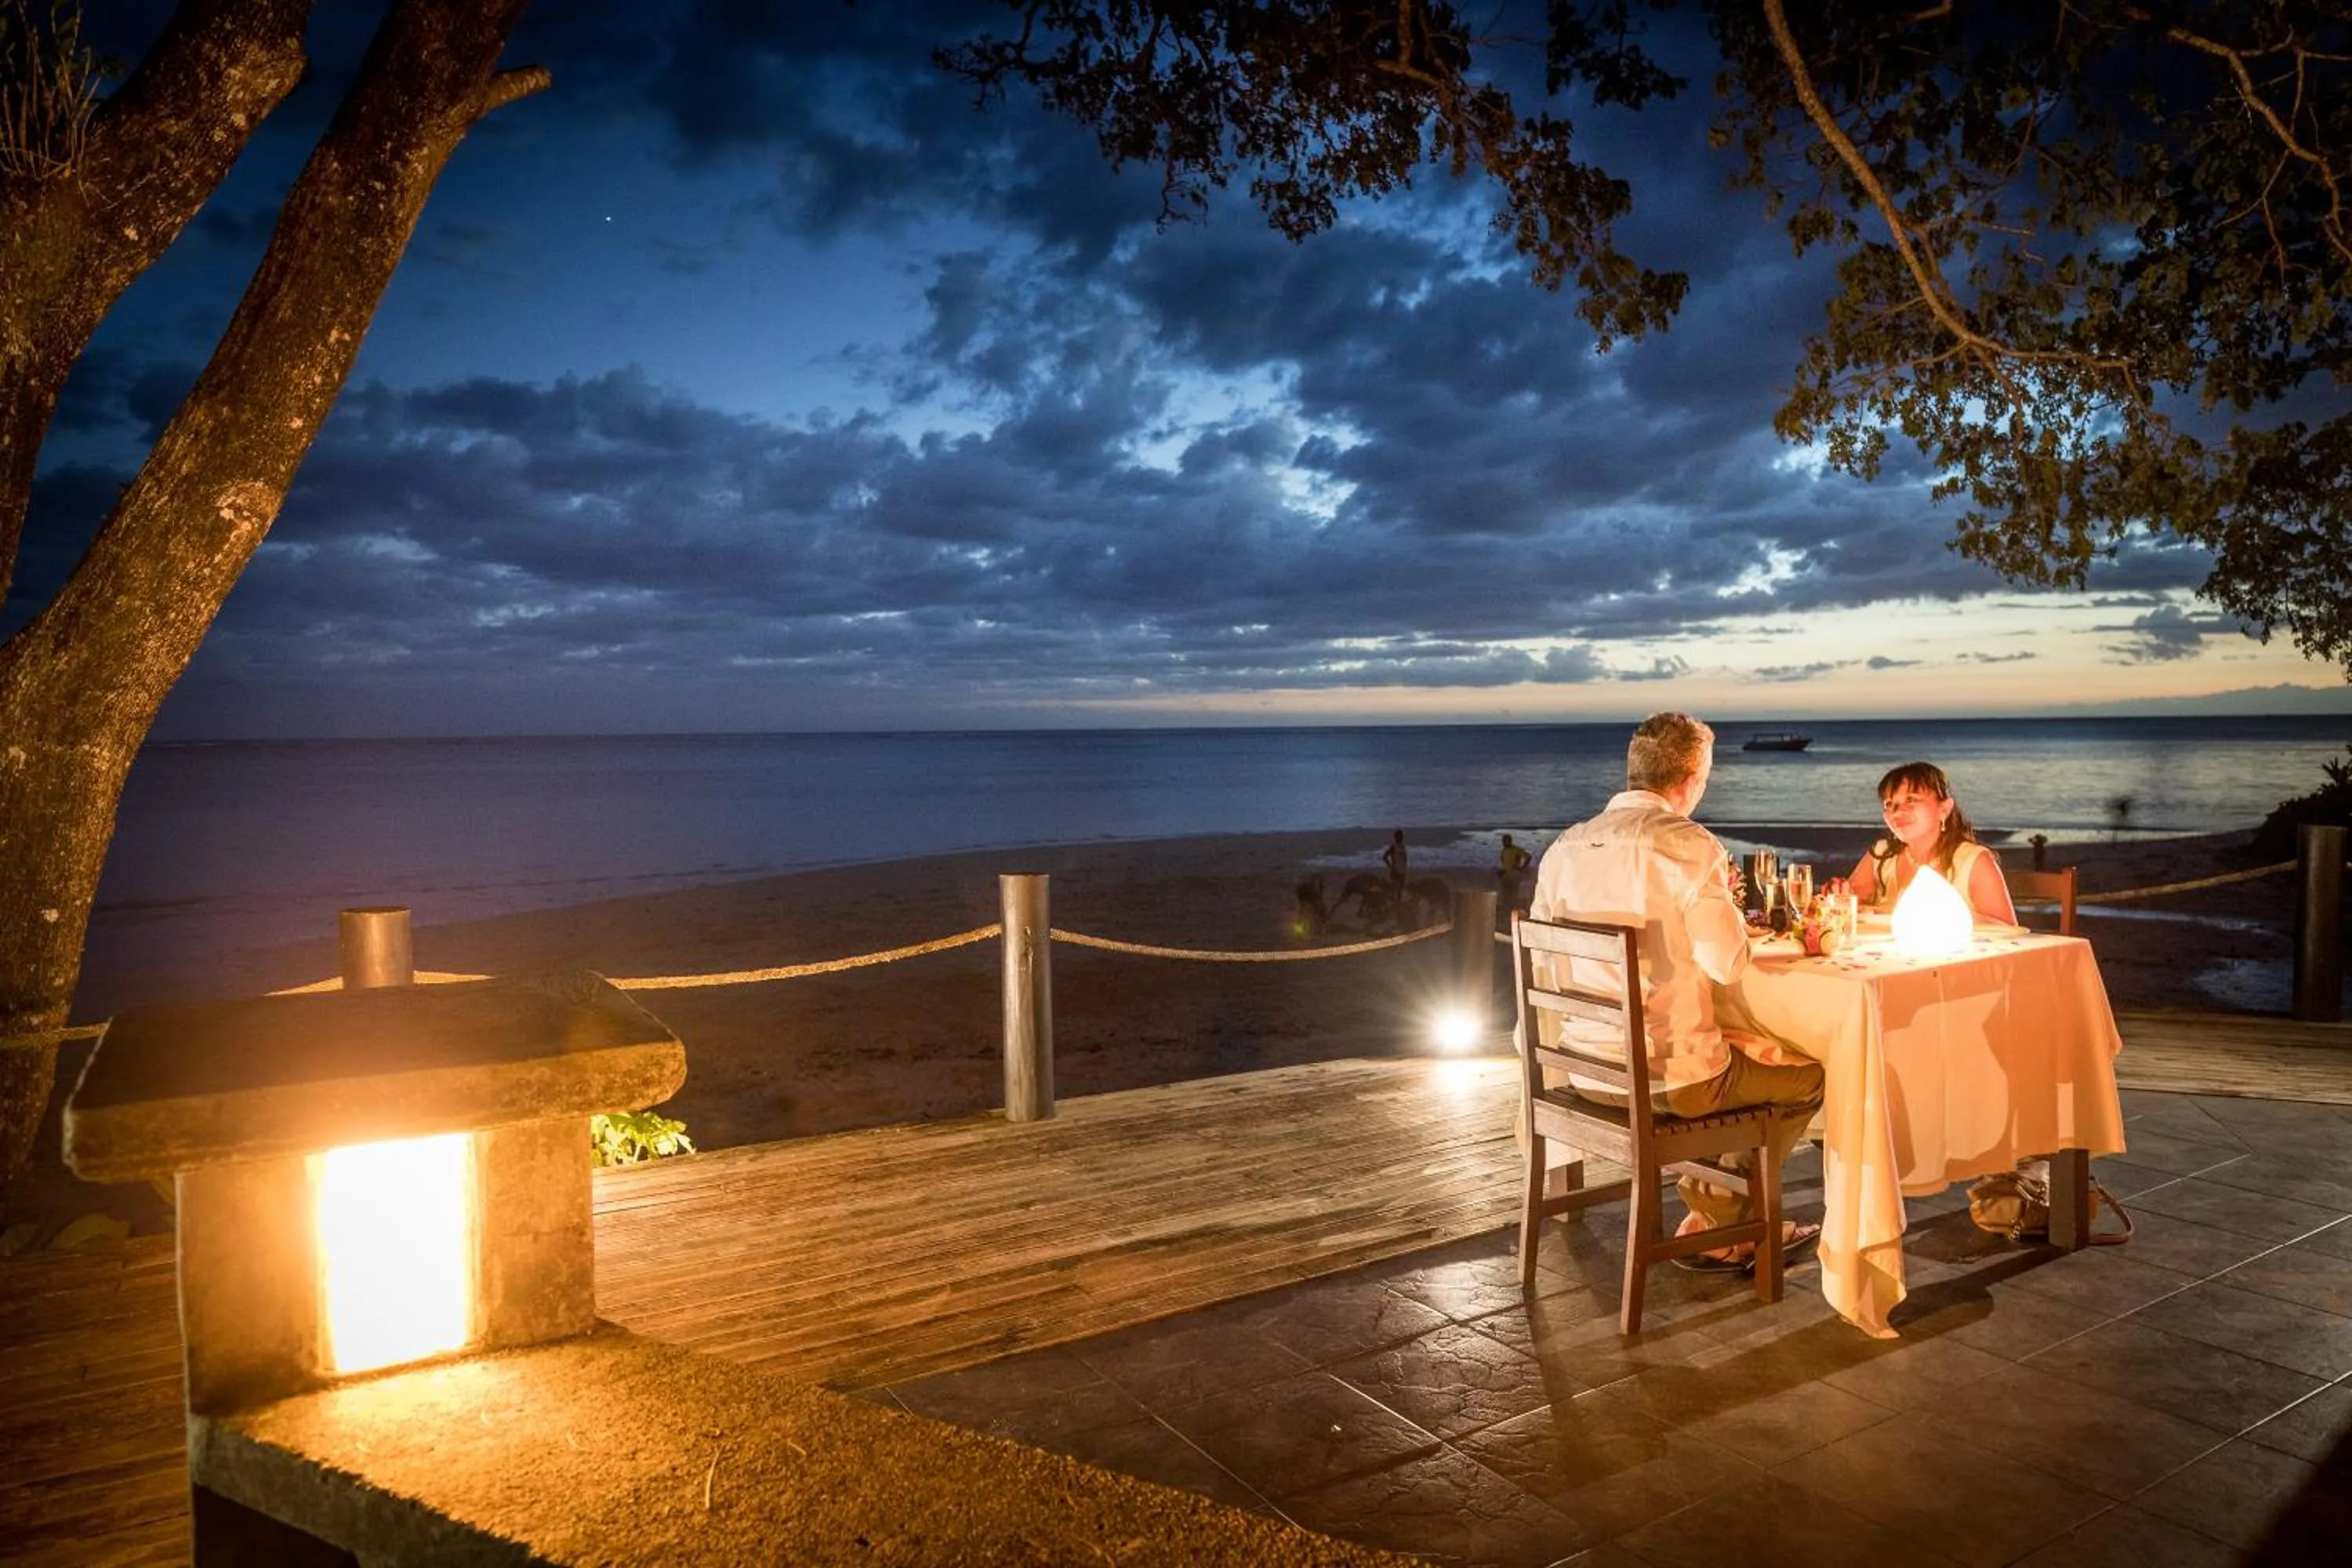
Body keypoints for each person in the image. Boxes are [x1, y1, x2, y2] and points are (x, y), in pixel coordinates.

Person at [1530, 713, 1823, 1272]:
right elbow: (1728, 963)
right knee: (1809, 1079)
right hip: (1673, 1083)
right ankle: (1725, 1220)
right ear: (1690, 779)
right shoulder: (1689, 846)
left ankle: (1715, 1216)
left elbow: (1545, 955)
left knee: (1735, 1049)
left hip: (1585, 1071)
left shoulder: (1565, 849)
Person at [1848, 761, 2016, 925]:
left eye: (1911, 800)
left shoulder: (1973, 861)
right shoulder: (1882, 855)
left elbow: (2009, 931)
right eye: (1889, 804)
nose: (1897, 812)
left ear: (1944, 809)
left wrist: (1947, 916)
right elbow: (1849, 903)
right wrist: (1840, 894)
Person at [1496, 833, 1533, 915]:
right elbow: (1504, 863)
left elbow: (1529, 856)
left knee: (1514, 893)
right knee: (1505, 893)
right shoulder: (1503, 851)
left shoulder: (1516, 849)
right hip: (1506, 875)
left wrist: (1522, 867)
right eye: (1504, 841)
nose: (1505, 843)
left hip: (1514, 873)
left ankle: (1513, 909)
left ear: (1510, 841)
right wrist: (1501, 871)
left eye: (1507, 841)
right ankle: (1506, 910)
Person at [1381, 829, 1409, 928]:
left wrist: (1405, 868)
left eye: (1402, 836)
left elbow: (1405, 858)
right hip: (1396, 871)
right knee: (1395, 890)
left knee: (1400, 891)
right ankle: (1393, 909)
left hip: (1402, 871)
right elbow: (1384, 857)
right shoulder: (1394, 847)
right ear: (1396, 837)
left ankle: (1398, 910)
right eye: (1399, 836)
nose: (1401, 838)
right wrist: (1391, 866)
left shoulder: (1402, 846)